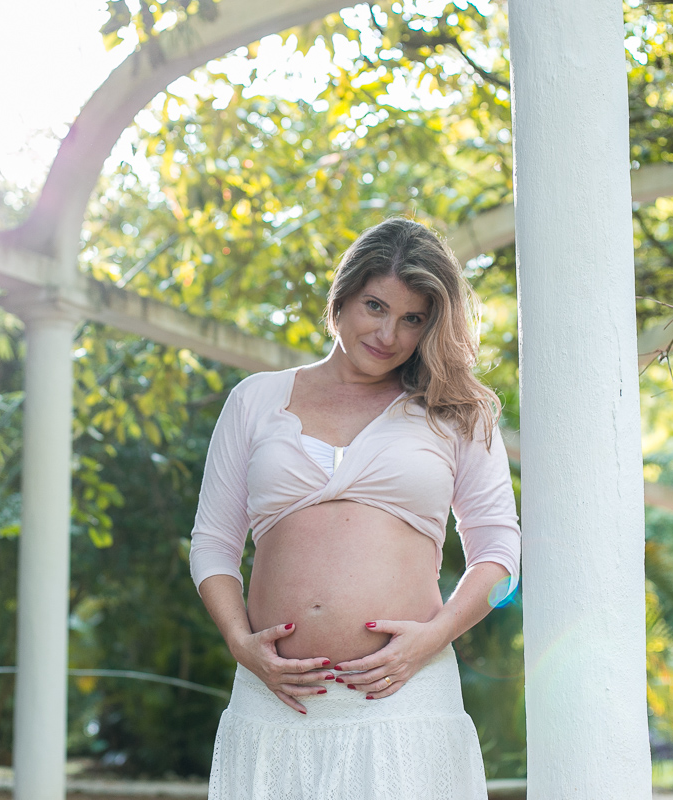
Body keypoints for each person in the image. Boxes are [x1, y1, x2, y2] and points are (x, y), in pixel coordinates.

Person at [189, 217, 521, 800]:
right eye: (375, 305)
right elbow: (213, 544)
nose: (388, 333)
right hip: (276, 704)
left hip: (404, 699)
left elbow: (500, 558)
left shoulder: (458, 411)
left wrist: (433, 636)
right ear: (340, 297)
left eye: (412, 318)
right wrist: (241, 644)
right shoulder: (255, 399)